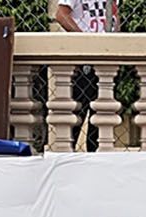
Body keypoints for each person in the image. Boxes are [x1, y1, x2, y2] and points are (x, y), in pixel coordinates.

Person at [55, 0, 117, 153]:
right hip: (84, 61)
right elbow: (61, 14)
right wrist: (83, 39)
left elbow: (115, 15)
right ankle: (66, 155)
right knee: (76, 112)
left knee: (101, 115)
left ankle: (94, 156)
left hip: (106, 58)